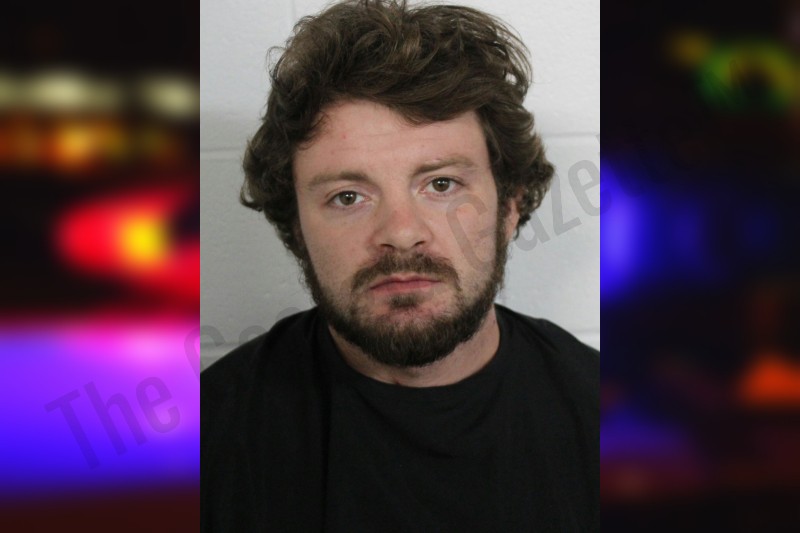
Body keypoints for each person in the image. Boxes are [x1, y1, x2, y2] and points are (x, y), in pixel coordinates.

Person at [201, 1, 598, 531]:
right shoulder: (202, 440)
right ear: (296, 228)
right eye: (347, 196)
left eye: (441, 184)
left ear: (508, 208)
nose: (401, 232)